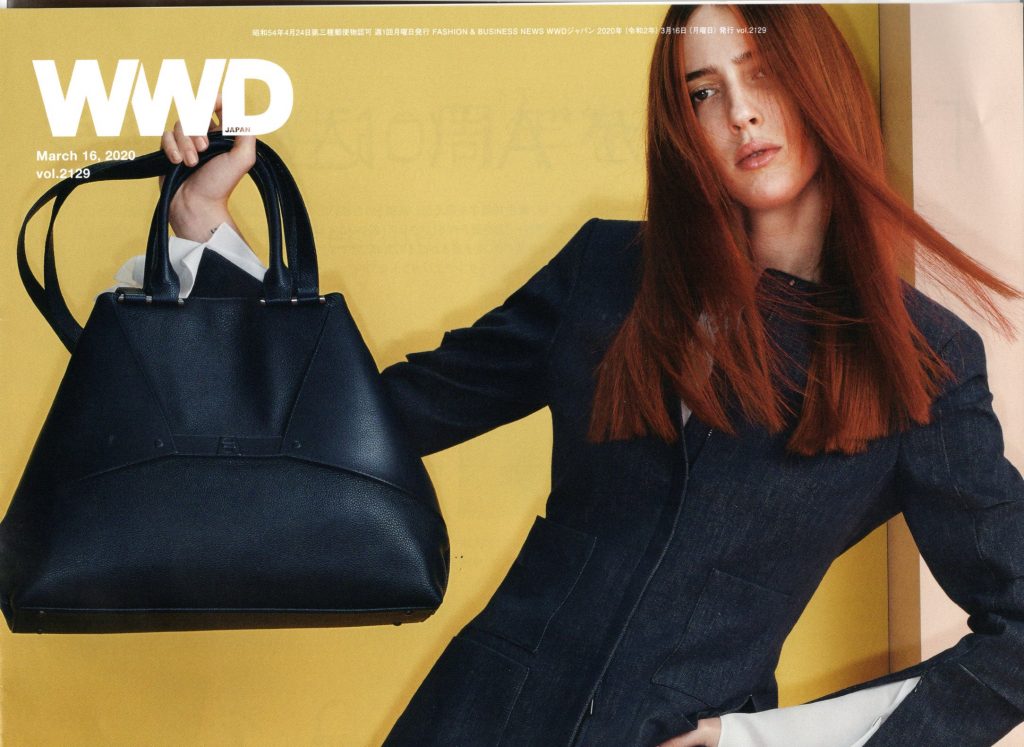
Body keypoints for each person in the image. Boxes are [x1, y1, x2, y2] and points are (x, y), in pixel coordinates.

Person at [157, 4, 1024, 745]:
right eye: (703, 92)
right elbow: (368, 421)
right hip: (473, 719)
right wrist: (204, 227)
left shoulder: (922, 359)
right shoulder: (608, 272)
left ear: (821, 81)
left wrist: (765, 740)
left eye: (762, 74)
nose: (740, 115)